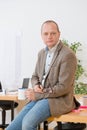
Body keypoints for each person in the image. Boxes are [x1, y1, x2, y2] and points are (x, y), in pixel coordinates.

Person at [6, 20, 80, 130]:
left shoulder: (68, 55)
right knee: (12, 128)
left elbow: (63, 87)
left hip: (58, 100)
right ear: (41, 36)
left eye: (53, 33)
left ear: (59, 34)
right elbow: (35, 76)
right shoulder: (42, 53)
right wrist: (36, 85)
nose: (49, 36)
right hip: (41, 98)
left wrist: (38, 95)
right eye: (46, 34)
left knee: (27, 123)